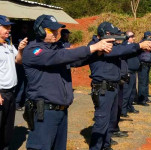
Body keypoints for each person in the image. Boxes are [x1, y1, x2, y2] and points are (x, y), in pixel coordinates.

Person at [22, 14, 113, 150]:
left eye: (56, 29)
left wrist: (97, 53)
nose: (56, 33)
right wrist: (91, 48)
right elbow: (59, 57)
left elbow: (75, 60)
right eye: (51, 30)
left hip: (61, 111)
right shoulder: (33, 50)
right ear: (40, 30)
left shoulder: (56, 49)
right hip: (44, 113)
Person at [88, 22, 151, 150]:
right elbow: (118, 50)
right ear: (106, 34)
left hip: (112, 87)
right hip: (102, 88)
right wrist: (139, 45)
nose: (117, 38)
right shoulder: (96, 46)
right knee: (101, 121)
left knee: (109, 120)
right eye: (115, 35)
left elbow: (124, 52)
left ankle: (106, 145)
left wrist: (141, 48)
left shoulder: (109, 46)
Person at [0, 15, 28, 150]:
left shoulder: (9, 44)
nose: (9, 29)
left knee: (8, 127)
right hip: (1, 93)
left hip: (11, 92)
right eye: (5, 27)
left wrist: (21, 49)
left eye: (9, 27)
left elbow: (18, 61)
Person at [121, 31, 140, 117]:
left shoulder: (131, 46)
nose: (134, 38)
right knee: (126, 92)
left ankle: (129, 107)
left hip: (133, 72)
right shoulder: (125, 46)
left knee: (132, 92)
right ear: (128, 37)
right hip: (128, 72)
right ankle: (123, 110)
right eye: (132, 36)